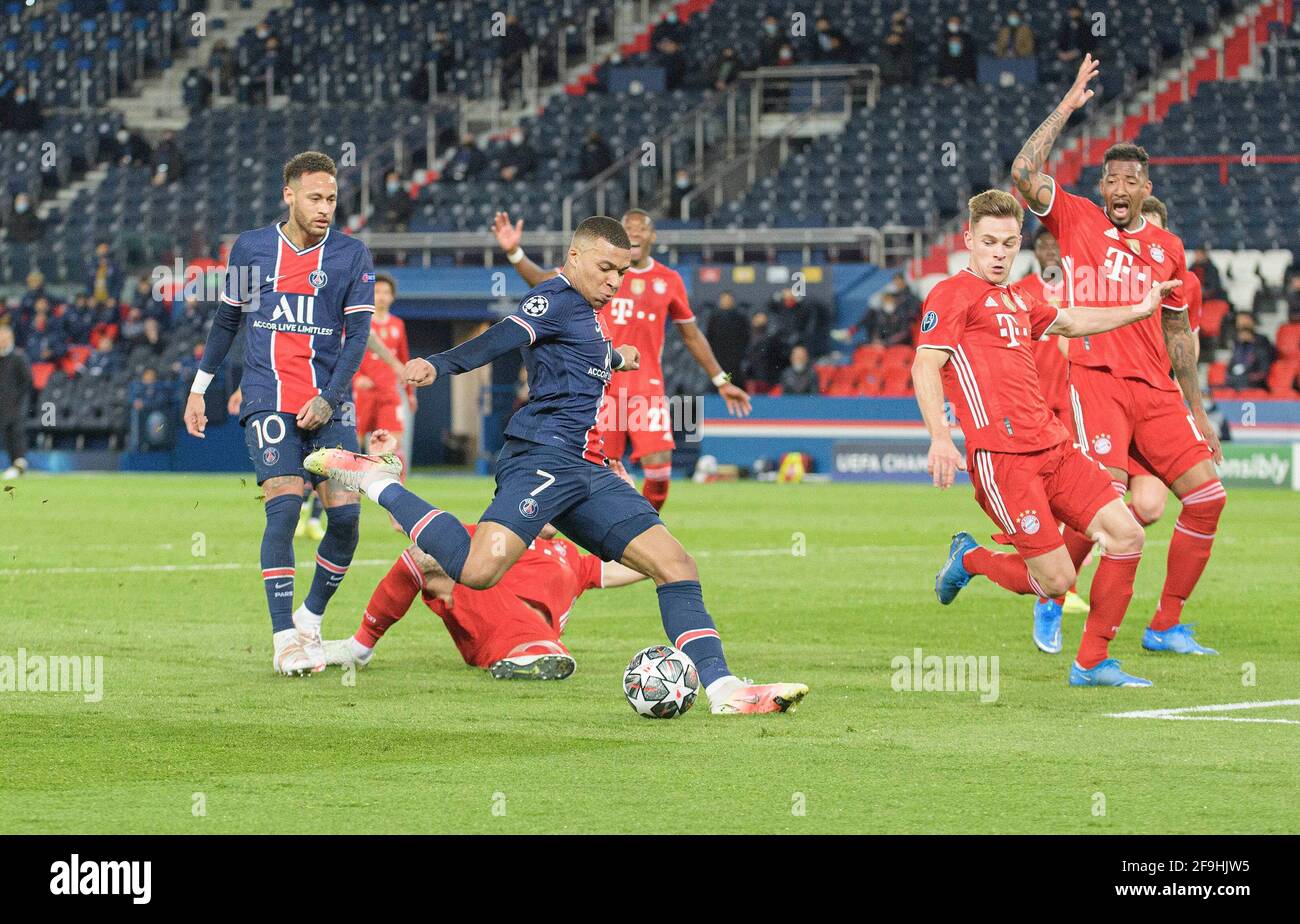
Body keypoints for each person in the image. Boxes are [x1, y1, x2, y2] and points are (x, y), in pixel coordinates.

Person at [305, 216, 807, 714]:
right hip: (540, 457)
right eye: (606, 268)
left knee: (676, 565)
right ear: (575, 257)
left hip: (587, 467)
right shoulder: (554, 298)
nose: (614, 282)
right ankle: (375, 479)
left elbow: (570, 358)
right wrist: (442, 363)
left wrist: (615, 358)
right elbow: (504, 336)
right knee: (478, 572)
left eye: (622, 273)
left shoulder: (587, 317)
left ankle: (724, 691)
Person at [915, 189, 1180, 687]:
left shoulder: (1019, 298)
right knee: (1058, 579)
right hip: (1003, 458)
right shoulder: (951, 295)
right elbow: (925, 363)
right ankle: (971, 558)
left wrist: (1140, 310)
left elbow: (1074, 320)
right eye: (989, 242)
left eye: (1008, 243)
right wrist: (939, 437)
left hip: (1055, 447)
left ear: (1019, 245)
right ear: (969, 239)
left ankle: (1092, 662)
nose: (999, 253)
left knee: (1127, 535)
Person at [1012, 54, 1225, 657]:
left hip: (1155, 391)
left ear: (1147, 188)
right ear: (1102, 187)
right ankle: (1053, 600)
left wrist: (1199, 411)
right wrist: (1068, 105)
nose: (1121, 189)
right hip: (1098, 383)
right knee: (1101, 507)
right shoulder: (1077, 218)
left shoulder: (1169, 249)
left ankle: (1165, 623)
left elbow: (1179, 334)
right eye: (1112, 181)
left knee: (1204, 498)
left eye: (1132, 181)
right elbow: (1025, 170)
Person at [182, 151, 376, 676]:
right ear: (288, 194)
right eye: (314, 197)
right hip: (267, 397)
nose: (325, 208)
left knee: (346, 519)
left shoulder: (352, 255)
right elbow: (226, 322)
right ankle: (284, 639)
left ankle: (310, 619)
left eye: (332, 198)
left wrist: (330, 398)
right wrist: (200, 388)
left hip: (330, 402)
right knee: (285, 509)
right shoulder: (252, 248)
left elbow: (357, 337)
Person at [491, 208, 751, 511]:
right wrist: (514, 252)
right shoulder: (598, 272)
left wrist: (722, 380)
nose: (636, 231)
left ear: (653, 236)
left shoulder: (669, 280)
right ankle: (612, 539)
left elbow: (691, 335)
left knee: (659, 469)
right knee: (600, 470)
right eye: (629, 227)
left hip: (646, 388)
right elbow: (542, 280)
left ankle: (644, 532)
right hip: (601, 387)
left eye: (643, 227)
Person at [325, 439, 647, 679]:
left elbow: (640, 564)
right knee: (422, 554)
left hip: (531, 628)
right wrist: (395, 466)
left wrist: (627, 506)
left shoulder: (573, 558)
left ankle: (537, 652)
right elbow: (408, 526)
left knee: (526, 617)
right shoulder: (500, 534)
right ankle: (360, 647)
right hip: (486, 615)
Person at [1009, 226, 1090, 645]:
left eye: (1056, 245)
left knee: (1079, 494)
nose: (1049, 251)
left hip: (1075, 401)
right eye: (1042, 245)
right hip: (1033, 405)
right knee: (1040, 496)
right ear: (1035, 251)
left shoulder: (1082, 289)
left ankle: (1058, 587)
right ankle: (1052, 583)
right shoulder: (1020, 291)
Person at [1121, 197, 1203, 538]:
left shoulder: (1188, 284)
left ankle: (1094, 540)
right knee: (1089, 499)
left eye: (1154, 229)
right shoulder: (1110, 277)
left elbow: (1188, 344)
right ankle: (1060, 585)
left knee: (1151, 506)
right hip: (1108, 394)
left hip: (1153, 400)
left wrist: (1189, 403)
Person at [0, 324, 32, 480]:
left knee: (16, 432)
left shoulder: (19, 357)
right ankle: (15, 464)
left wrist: (19, 399)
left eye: (3, 337)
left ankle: (19, 463)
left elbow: (27, 381)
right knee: (6, 434)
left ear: (10, 338)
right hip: (2, 404)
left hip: (16, 403)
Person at [705, 291, 749, 382]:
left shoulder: (740, 318)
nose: (726, 301)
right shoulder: (713, 318)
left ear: (732, 301)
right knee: (718, 381)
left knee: (731, 380)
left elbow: (745, 337)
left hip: (735, 359)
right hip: (717, 357)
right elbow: (709, 337)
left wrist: (740, 354)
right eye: (723, 299)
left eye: (728, 299)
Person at [1225, 313, 1274, 391]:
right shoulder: (1237, 343)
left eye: (1244, 320)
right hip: (1237, 378)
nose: (1241, 324)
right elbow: (1232, 364)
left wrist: (1251, 341)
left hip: (1254, 379)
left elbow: (1264, 366)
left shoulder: (1262, 341)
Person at [937, 16, 977, 85]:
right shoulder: (944, 38)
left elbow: (970, 73)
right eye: (951, 22)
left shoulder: (966, 38)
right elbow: (940, 72)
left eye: (957, 43)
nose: (954, 45)